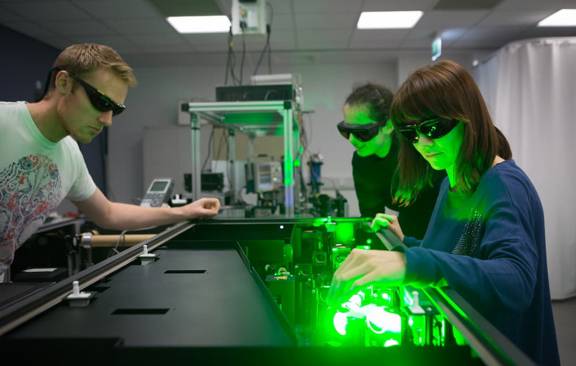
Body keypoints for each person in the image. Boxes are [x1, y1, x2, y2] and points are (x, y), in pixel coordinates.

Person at [331, 60, 559, 365]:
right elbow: (455, 255)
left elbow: (515, 280)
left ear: (468, 118)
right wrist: (408, 245)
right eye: (412, 133)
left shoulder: (504, 185)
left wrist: (411, 262)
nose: (422, 144)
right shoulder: (452, 181)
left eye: (433, 128)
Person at [0, 43, 220, 283]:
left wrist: (185, 211)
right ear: (63, 82)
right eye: (101, 102)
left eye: (115, 110)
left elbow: (108, 213)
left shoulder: (69, 154)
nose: (107, 121)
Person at [337, 83, 443, 238]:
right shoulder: (362, 162)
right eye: (346, 131)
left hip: (443, 223)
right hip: (410, 229)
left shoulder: (416, 146)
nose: (352, 140)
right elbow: (371, 218)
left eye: (361, 132)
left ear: (388, 125)